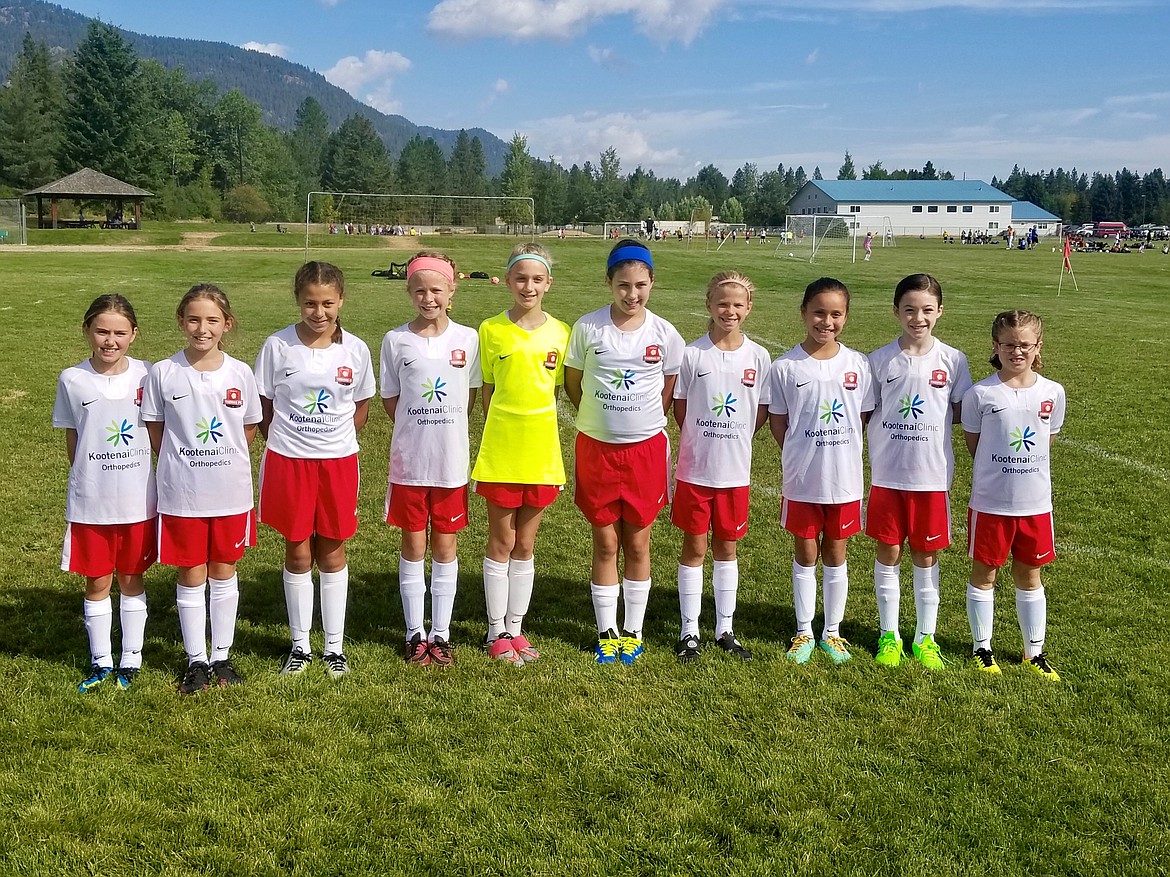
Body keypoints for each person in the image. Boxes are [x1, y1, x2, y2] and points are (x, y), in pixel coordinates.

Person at [565, 239, 684, 665]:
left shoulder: (665, 333)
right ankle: (606, 630)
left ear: (652, 282)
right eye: (622, 285)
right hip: (597, 448)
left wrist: (641, 420)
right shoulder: (588, 328)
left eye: (639, 285)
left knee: (637, 542)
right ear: (608, 283)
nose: (631, 294)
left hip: (645, 451)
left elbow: (668, 389)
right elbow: (574, 383)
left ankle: (632, 629)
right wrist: (600, 418)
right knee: (604, 542)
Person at [255, 262, 376, 678]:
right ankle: (300, 646)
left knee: (333, 549)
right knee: (297, 548)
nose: (319, 312)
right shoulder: (277, 346)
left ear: (341, 300)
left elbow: (360, 408)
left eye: (327, 303)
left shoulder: (355, 350)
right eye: (310, 303)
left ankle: (334, 648)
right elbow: (264, 406)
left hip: (338, 462)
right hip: (289, 461)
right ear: (297, 301)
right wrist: (293, 439)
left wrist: (331, 438)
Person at [141, 285, 262, 694]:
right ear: (181, 321)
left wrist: (218, 459)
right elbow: (156, 430)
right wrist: (185, 461)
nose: (202, 328)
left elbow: (247, 428)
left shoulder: (240, 372)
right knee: (191, 573)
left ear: (227, 324)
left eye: (212, 320)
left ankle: (222, 656)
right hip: (182, 493)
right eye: (194, 319)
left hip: (230, 491)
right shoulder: (164, 372)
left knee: (224, 570)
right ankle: (196, 660)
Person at [865, 274, 972, 670]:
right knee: (888, 552)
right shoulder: (878, 361)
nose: (918, 317)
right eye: (909, 309)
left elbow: (961, 413)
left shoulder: (954, 360)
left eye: (927, 309)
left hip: (931, 478)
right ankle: (889, 634)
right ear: (896, 311)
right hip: (888, 476)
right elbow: (866, 411)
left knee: (926, 557)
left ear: (940, 311)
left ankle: (925, 638)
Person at [471, 243, 570, 665]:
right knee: (501, 539)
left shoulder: (563, 333)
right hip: (501, 451)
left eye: (536, 279)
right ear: (508, 280)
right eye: (520, 278)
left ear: (548, 283)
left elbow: (562, 389)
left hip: (542, 453)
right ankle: (495, 632)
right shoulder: (489, 330)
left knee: (526, 544)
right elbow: (487, 394)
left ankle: (517, 627)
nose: (528, 286)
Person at [381, 252, 480, 667]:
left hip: (450, 462)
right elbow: (390, 398)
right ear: (409, 292)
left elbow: (470, 396)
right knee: (413, 543)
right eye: (419, 290)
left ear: (451, 290)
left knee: (445, 545)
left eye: (436, 289)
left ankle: (440, 632)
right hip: (410, 462)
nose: (428, 298)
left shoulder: (468, 339)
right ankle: (413, 632)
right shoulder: (395, 340)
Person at [768, 278, 874, 665]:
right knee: (805, 550)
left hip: (844, 478)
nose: (826, 321)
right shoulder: (785, 367)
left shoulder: (858, 364)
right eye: (818, 312)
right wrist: (801, 452)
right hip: (802, 479)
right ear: (803, 313)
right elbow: (779, 422)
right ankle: (802, 630)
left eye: (835, 314)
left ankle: (832, 631)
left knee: (836, 552)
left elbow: (862, 416)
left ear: (845, 317)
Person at [54, 295, 156, 692]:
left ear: (134, 334)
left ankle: (131, 658)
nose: (110, 341)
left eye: (119, 332)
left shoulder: (148, 375)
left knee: (132, 578)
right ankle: (100, 661)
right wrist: (87, 477)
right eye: (101, 331)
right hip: (92, 502)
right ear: (87, 331)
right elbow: (72, 437)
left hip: (137, 500)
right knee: (97, 581)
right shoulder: (72, 379)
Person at [671, 272, 772, 663]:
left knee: (727, 548)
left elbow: (760, 411)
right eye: (722, 304)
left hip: (735, 473)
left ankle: (724, 628)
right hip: (696, 471)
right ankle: (689, 629)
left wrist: (735, 437)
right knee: (695, 547)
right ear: (709, 305)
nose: (729, 311)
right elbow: (681, 407)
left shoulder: (759, 356)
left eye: (737, 304)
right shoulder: (693, 354)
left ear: (749, 308)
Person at [962, 310, 1065, 681]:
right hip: (991, 503)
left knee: (1030, 575)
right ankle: (982, 648)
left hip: (1035, 504)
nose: (1016, 351)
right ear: (996, 346)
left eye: (1025, 345)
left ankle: (1033, 652)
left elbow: (1046, 441)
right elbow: (976, 444)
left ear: (1038, 347)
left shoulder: (1052, 392)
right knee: (984, 574)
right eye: (1008, 344)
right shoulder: (981, 393)